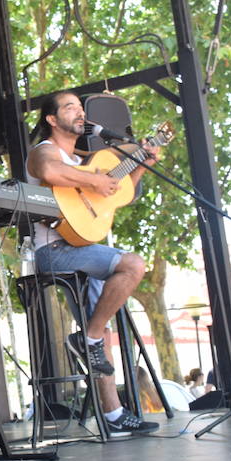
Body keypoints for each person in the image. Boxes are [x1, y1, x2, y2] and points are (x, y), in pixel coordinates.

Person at [26, 90, 163, 435]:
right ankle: (88, 338)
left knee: (99, 332)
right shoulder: (45, 151)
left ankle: (113, 413)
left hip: (83, 247)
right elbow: (48, 171)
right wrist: (95, 180)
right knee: (133, 265)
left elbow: (117, 194)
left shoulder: (86, 158)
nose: (79, 112)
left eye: (80, 107)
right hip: (53, 252)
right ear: (52, 120)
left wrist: (142, 165)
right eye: (69, 107)